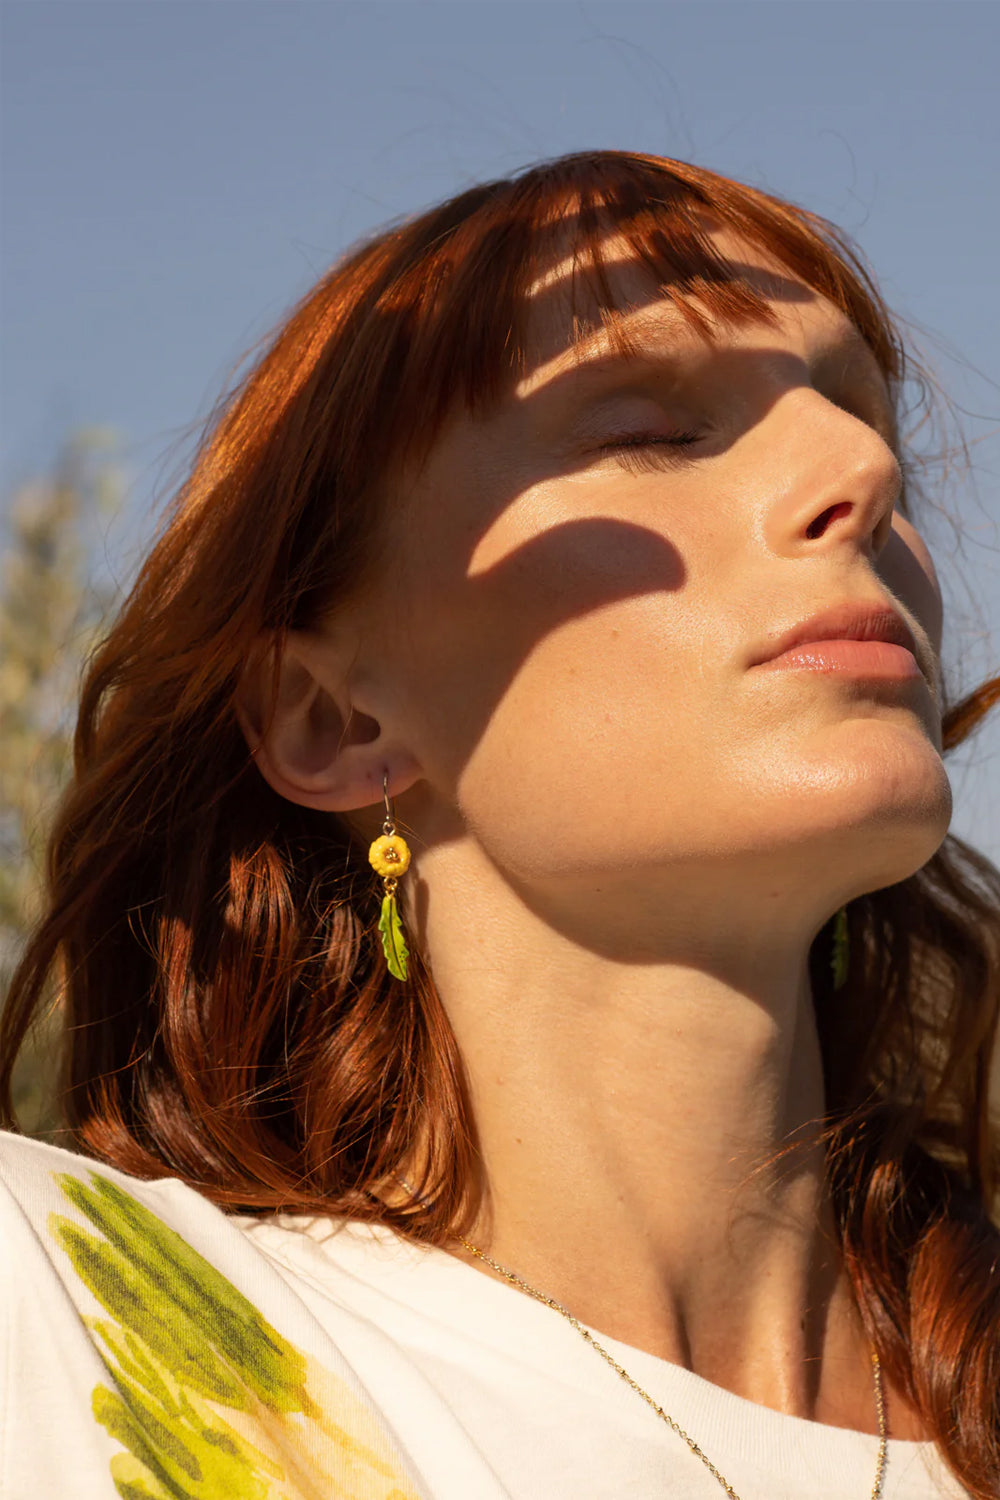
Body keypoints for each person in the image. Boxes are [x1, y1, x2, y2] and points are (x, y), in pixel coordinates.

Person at [0, 149, 997, 1500]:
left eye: (856, 409)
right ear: (334, 723)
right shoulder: (65, 1310)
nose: (864, 469)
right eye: (647, 427)